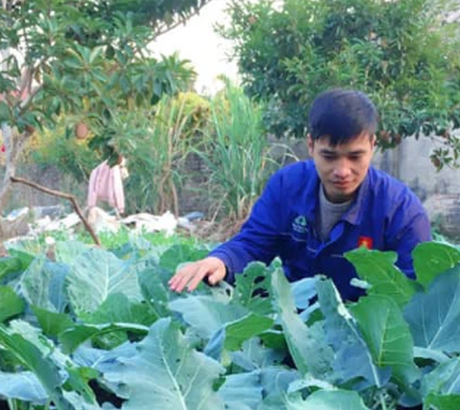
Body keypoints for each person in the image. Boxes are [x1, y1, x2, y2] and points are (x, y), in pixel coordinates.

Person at [168, 89, 431, 301]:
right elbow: (253, 244)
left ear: (373, 146)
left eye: (355, 156)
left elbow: (413, 294)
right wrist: (221, 260)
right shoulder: (287, 186)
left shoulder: (402, 210)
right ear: (310, 145)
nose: (342, 171)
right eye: (329, 156)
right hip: (295, 325)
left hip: (369, 339)